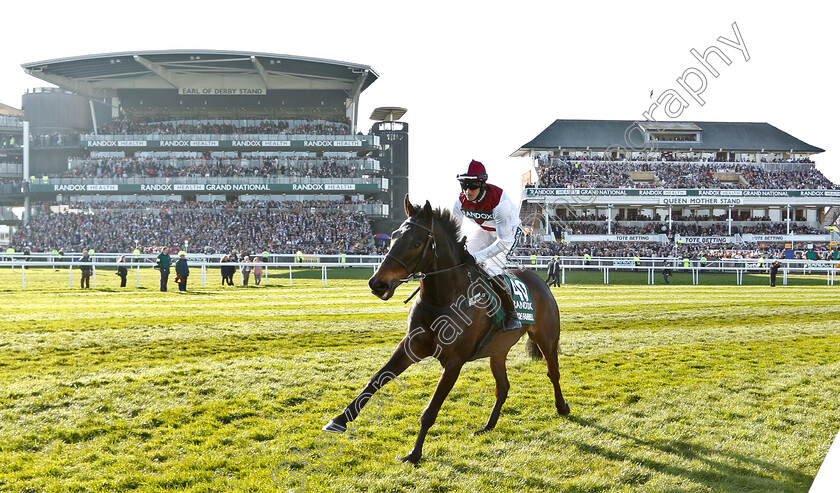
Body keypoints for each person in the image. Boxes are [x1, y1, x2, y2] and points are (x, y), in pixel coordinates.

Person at [452, 159, 522, 331]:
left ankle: (512, 314)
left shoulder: (500, 204)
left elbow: (504, 241)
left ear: (483, 184)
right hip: (484, 231)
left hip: (507, 234)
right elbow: (452, 232)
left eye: (473, 185)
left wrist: (476, 257)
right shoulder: (460, 201)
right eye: (464, 185)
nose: (468, 191)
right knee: (460, 261)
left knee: (491, 267)